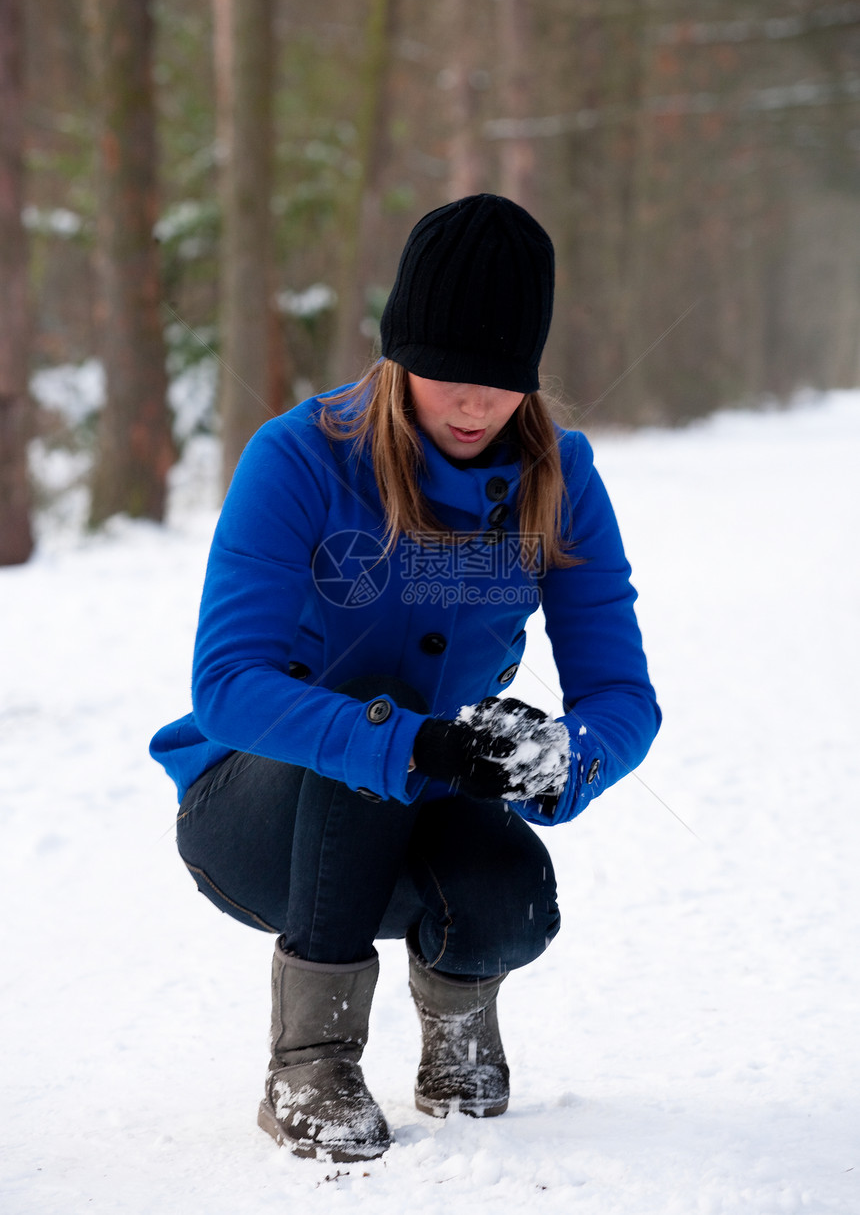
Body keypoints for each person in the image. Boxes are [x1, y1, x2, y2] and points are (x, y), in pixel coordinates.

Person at [150, 193, 661, 1164]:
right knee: (366, 736)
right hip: (252, 807)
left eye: (499, 380)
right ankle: (309, 1061)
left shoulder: (564, 479)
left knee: (511, 893)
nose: (472, 404)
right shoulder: (299, 457)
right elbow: (228, 683)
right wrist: (411, 740)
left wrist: (562, 760)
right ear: (396, 355)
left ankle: (459, 1027)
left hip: (422, 796)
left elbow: (622, 698)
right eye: (444, 375)